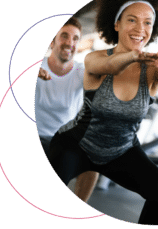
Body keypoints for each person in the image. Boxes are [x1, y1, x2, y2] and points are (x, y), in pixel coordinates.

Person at [48, 0, 158, 225]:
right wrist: (132, 56)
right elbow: (109, 66)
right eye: (132, 20)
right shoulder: (96, 58)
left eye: (147, 23)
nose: (140, 28)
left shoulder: (152, 68)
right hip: (76, 144)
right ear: (117, 24)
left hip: (122, 150)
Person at [35, 17, 99, 202]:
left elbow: (104, 72)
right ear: (52, 40)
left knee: (94, 158)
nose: (70, 43)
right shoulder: (35, 66)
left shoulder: (81, 71)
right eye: (64, 36)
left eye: (75, 38)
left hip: (63, 138)